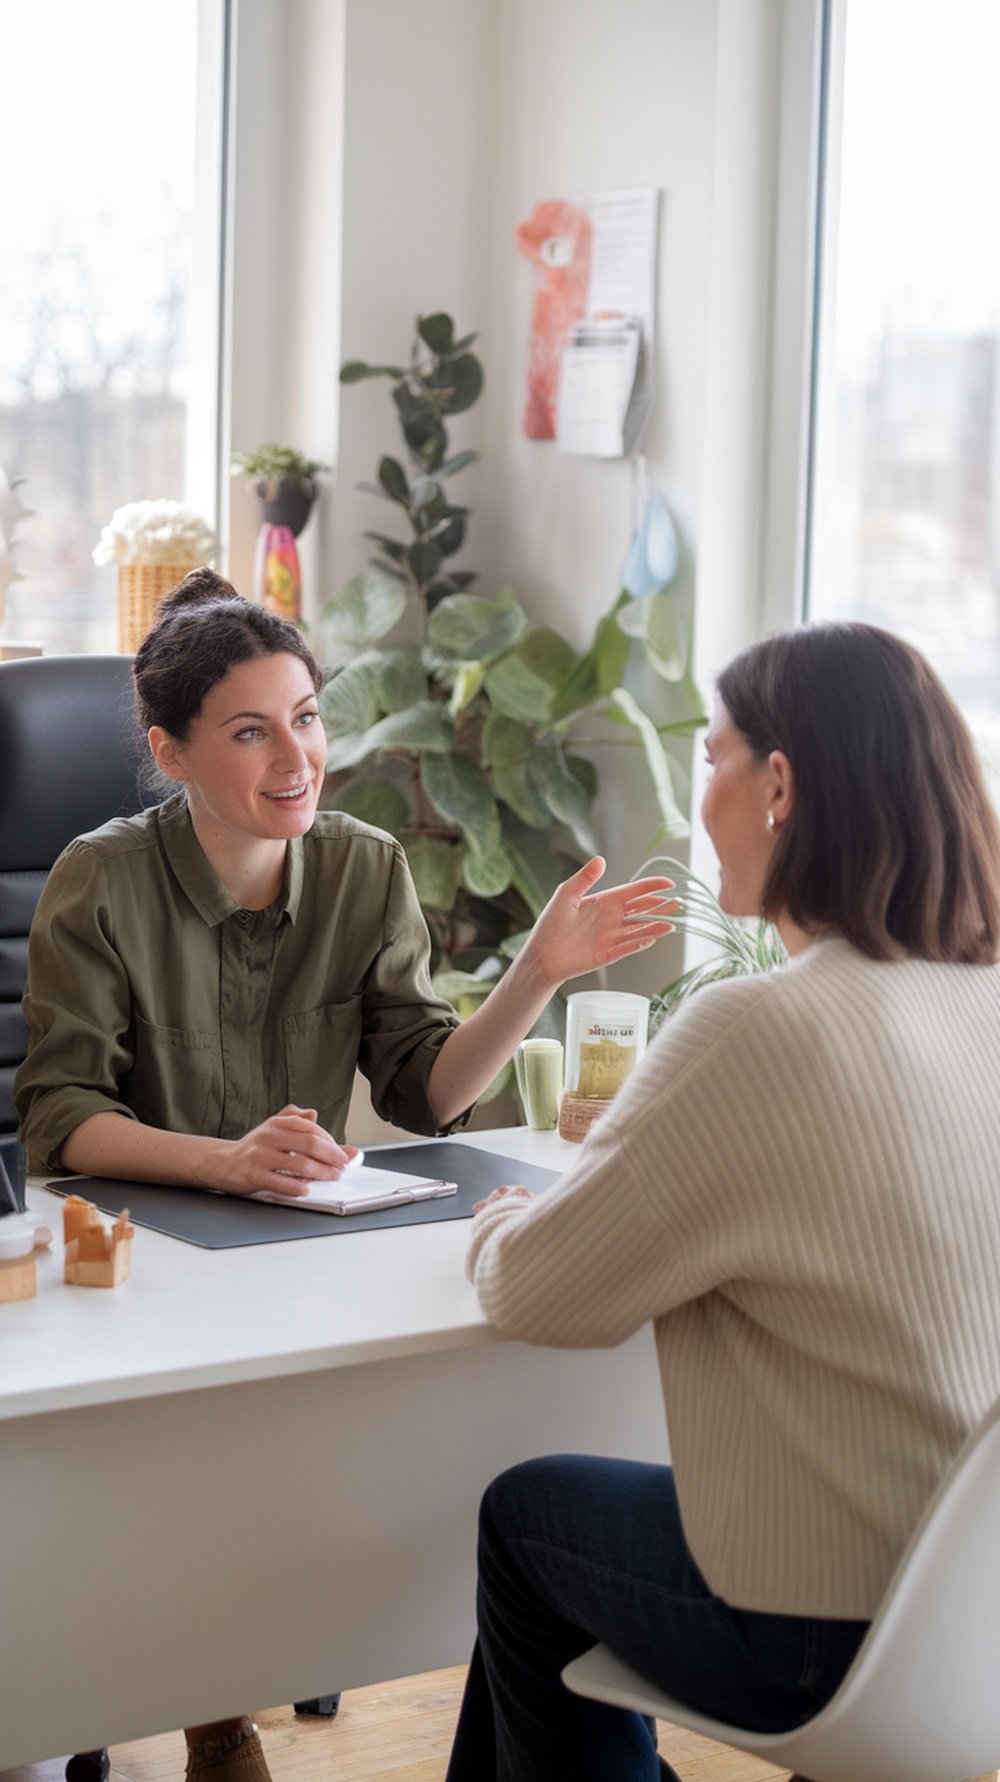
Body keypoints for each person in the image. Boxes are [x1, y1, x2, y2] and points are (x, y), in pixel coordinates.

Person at [14, 568, 675, 1782]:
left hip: (297, 1249)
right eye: (250, 732)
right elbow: (61, 1118)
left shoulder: (367, 868)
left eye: (307, 718)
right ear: (169, 752)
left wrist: (535, 973)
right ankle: (198, 1704)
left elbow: (426, 1089)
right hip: (142, 1257)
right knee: (171, 1451)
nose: (296, 759)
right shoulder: (99, 880)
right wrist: (224, 1161)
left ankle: (253, 1667)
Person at [446, 621, 1000, 1782]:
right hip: (972, 1616)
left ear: (779, 785)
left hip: (828, 1631)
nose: (704, 800)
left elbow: (535, 1292)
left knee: (525, 1517)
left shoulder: (761, 1025)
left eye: (712, 760)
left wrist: (496, 1217)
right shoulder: (980, 1000)